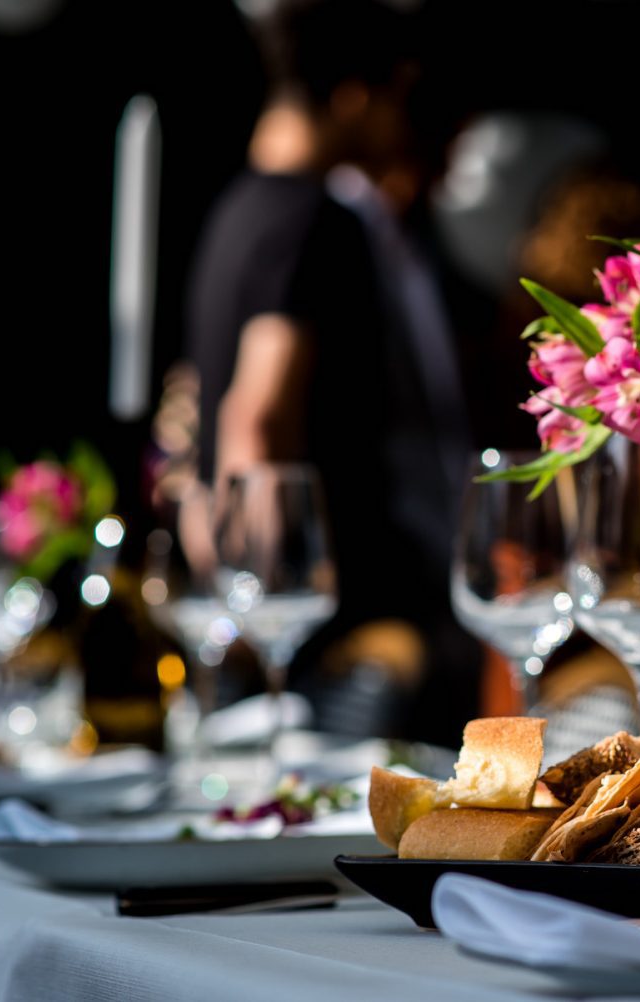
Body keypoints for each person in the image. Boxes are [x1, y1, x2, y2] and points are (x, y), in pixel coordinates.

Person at [184, 0, 480, 741]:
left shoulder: (234, 213)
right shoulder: (315, 219)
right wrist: (261, 611)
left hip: (299, 631)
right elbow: (255, 416)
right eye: (395, 99)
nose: (399, 123)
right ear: (354, 97)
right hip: (348, 643)